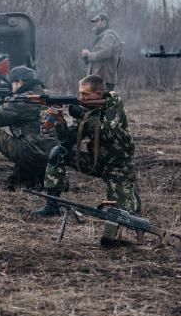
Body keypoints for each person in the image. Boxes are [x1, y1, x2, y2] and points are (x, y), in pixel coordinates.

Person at [31, 74, 140, 246]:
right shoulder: (86, 111)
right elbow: (69, 140)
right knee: (59, 152)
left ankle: (130, 190)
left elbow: (106, 133)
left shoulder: (114, 105)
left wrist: (85, 115)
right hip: (97, 162)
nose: (80, 98)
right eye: (79, 94)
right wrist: (60, 121)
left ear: (99, 94)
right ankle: (52, 205)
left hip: (118, 167)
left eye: (85, 95)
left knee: (126, 216)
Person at [0, 66, 59, 192]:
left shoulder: (24, 99)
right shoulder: (47, 96)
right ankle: (44, 178)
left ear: (20, 82)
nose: (11, 87)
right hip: (52, 155)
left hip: (31, 153)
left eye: (12, 83)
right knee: (16, 183)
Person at [80, 13, 123, 91]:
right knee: (96, 102)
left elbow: (106, 53)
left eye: (97, 21)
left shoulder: (108, 36)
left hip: (104, 79)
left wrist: (89, 55)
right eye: (94, 22)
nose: (95, 23)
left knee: (103, 101)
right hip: (99, 78)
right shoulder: (102, 36)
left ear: (104, 22)